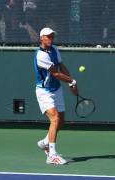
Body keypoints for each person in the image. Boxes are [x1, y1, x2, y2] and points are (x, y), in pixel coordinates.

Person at [34, 27, 78, 165]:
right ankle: (51, 155)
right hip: (44, 92)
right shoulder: (41, 55)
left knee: (61, 121)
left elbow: (61, 66)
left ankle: (45, 143)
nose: (51, 39)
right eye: (48, 36)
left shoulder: (55, 49)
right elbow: (55, 73)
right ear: (41, 38)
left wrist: (71, 81)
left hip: (56, 89)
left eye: (52, 36)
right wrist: (71, 81)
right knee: (55, 118)